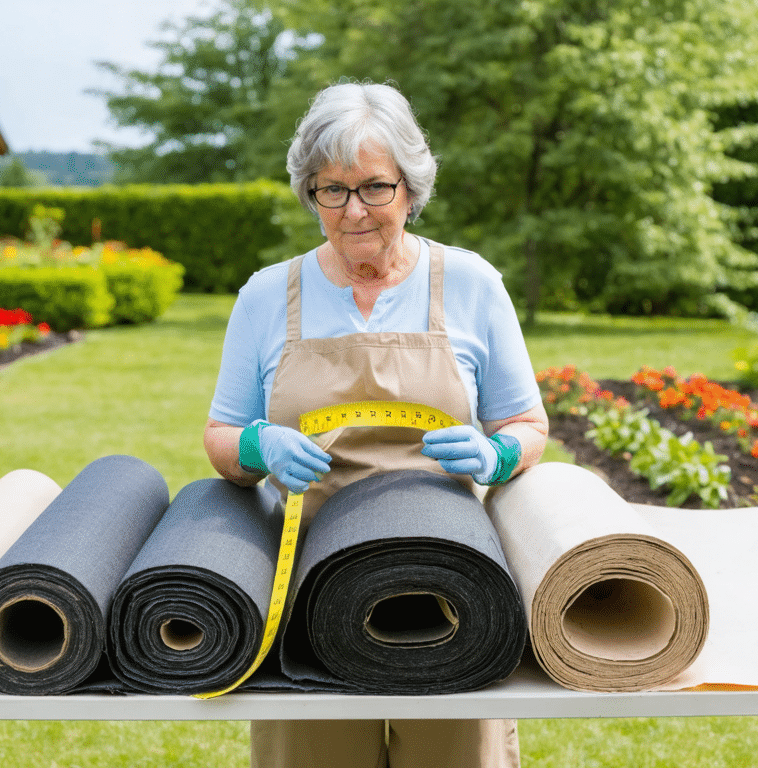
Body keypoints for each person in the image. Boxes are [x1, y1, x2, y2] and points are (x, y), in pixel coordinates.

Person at [204, 81, 548, 768]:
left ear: (411, 189)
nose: (353, 211)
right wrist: (256, 444)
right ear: (310, 193)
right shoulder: (269, 294)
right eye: (331, 189)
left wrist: (497, 453)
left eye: (373, 188)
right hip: (313, 581)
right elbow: (221, 436)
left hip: (454, 582)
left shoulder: (473, 283)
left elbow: (527, 421)